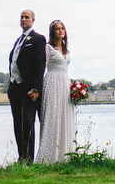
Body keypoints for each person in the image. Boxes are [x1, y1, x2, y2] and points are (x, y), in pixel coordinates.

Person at [7, 9, 47, 164]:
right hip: (14, 89)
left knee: (27, 124)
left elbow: (40, 65)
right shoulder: (18, 41)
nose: (23, 19)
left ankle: (28, 161)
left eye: (26, 17)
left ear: (33, 20)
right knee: (17, 124)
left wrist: (36, 88)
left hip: (29, 90)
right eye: (21, 17)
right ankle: (21, 158)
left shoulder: (38, 39)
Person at [36, 19, 76, 163]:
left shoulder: (65, 49)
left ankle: (66, 155)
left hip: (65, 83)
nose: (60, 31)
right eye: (57, 29)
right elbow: (42, 66)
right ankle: (48, 157)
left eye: (62, 28)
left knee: (65, 116)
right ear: (53, 32)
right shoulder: (48, 48)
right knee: (53, 117)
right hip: (52, 82)